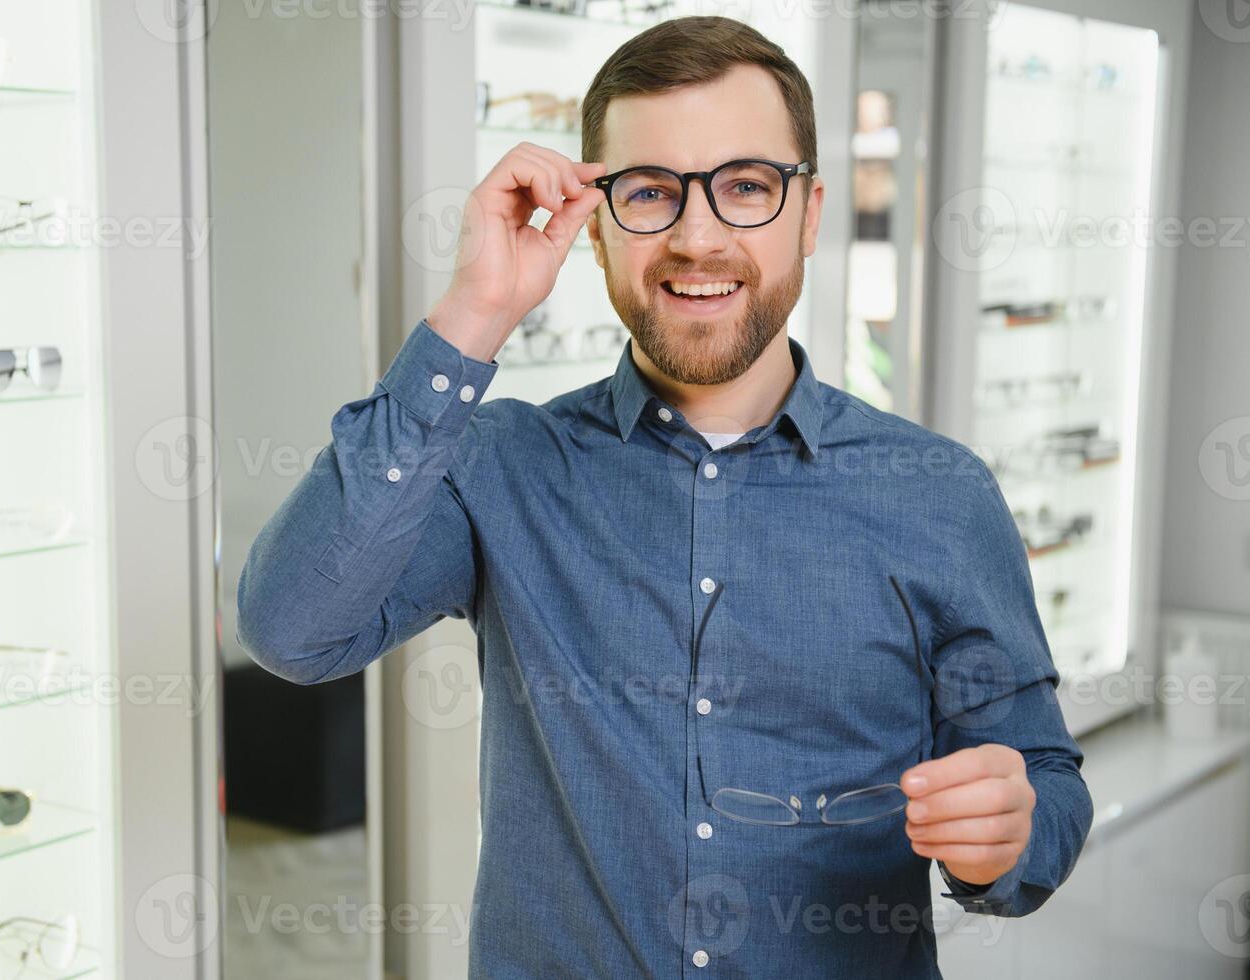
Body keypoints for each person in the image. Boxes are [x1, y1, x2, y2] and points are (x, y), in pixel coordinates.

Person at [236, 15, 1091, 978]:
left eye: (745, 187)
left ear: (809, 213)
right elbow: (292, 628)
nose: (696, 236)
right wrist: (471, 314)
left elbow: (1045, 788)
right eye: (648, 191)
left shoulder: (938, 494)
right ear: (594, 222)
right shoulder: (500, 464)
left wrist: (1009, 834)